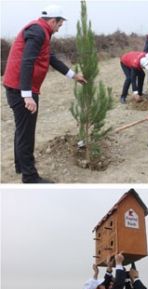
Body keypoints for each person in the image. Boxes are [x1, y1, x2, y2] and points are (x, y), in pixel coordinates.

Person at [3, 5, 87, 183]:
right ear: (52, 20)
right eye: (60, 23)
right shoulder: (38, 32)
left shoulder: (41, 31)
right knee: (26, 133)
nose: (60, 27)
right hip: (21, 89)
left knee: (22, 129)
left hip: (17, 87)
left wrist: (73, 75)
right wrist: (27, 95)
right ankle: (30, 176)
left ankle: (21, 166)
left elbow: (51, 58)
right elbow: (27, 62)